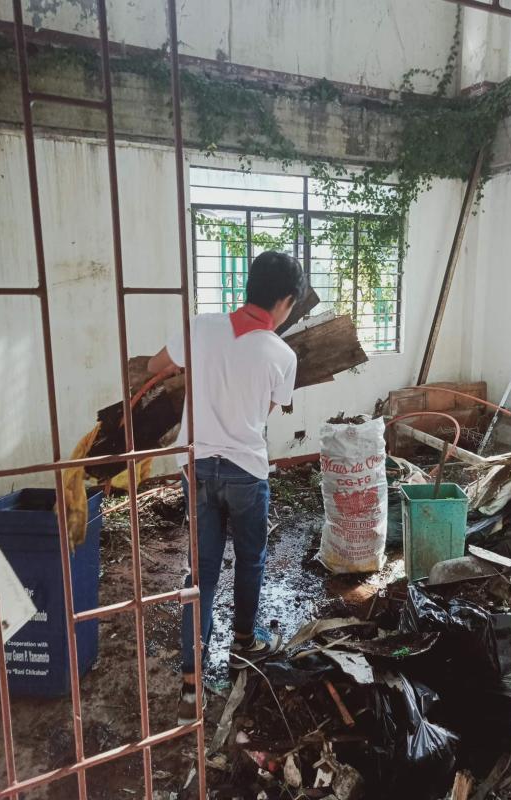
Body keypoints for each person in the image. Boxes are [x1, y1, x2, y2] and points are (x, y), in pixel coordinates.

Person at [148, 250, 306, 723]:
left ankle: (192, 683)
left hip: (195, 467)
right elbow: (272, 409)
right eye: (292, 306)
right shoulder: (283, 354)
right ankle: (243, 641)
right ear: (284, 301)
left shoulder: (201, 326)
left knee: (202, 571)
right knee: (251, 558)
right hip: (246, 473)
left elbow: (158, 364)